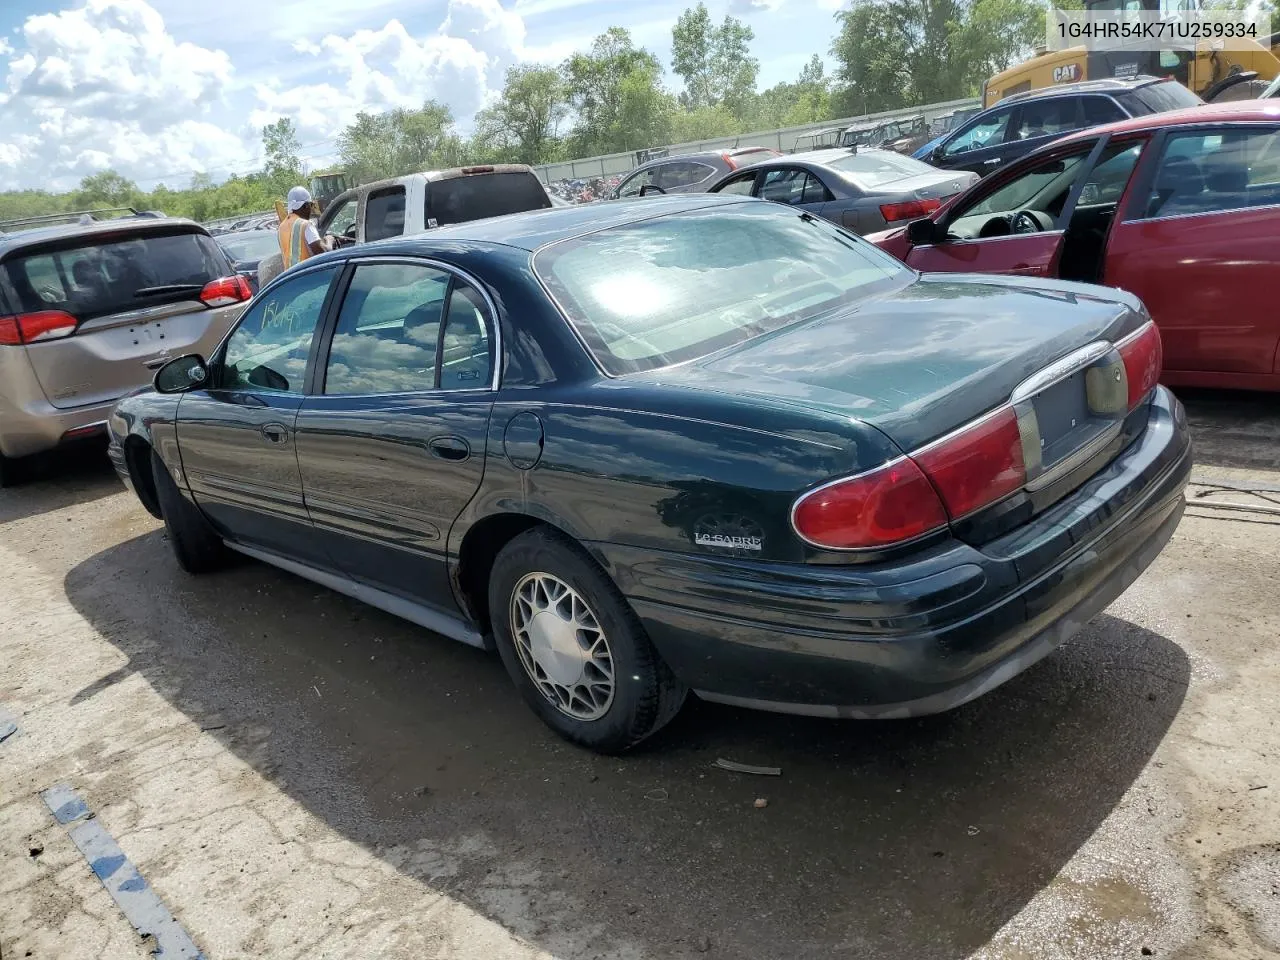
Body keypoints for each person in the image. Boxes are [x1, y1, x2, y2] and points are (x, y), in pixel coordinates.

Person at [277, 186, 329, 269]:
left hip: (292, 277)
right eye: (311, 205)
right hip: (309, 275)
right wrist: (330, 240)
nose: (311, 209)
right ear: (305, 206)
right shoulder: (305, 225)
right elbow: (323, 252)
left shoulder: (281, 227)